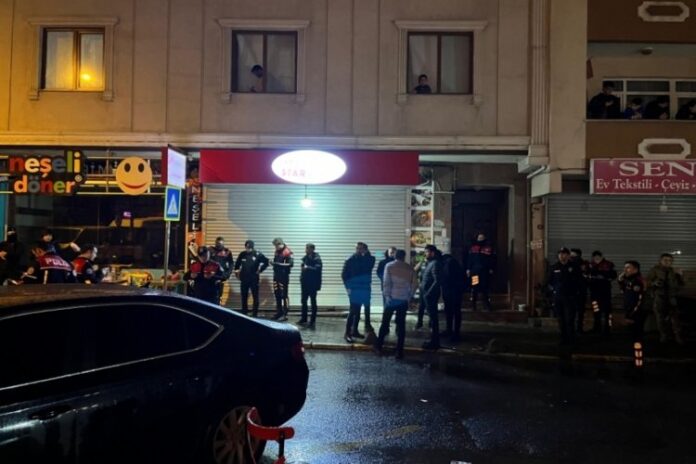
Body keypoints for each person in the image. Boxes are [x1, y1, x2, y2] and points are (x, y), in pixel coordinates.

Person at [374, 249, 417, 359]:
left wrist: (387, 296)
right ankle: (399, 351)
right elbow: (414, 284)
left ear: (395, 256)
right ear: (404, 257)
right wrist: (409, 297)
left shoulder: (389, 266)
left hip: (391, 300)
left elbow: (386, 283)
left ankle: (378, 347)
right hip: (403, 300)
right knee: (401, 325)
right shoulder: (409, 268)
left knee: (385, 323)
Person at [646, 253, 685, 344]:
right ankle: (664, 336)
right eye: (665, 260)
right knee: (660, 318)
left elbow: (681, 284)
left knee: (675, 318)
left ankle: (678, 336)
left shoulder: (673, 271)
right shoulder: (654, 270)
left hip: (671, 297)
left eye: (670, 260)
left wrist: (680, 275)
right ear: (660, 261)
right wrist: (654, 283)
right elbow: (647, 282)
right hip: (660, 297)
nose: (668, 262)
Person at [341, 242, 376, 343]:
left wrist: (366, 254)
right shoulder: (350, 260)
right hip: (355, 289)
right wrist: (348, 288)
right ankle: (347, 333)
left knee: (358, 310)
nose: (358, 250)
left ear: (365, 250)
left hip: (365, 288)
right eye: (357, 248)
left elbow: (371, 263)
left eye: (361, 249)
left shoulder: (368, 259)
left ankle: (354, 331)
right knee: (353, 310)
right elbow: (344, 275)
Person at [547, 247, 582, 346]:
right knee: (561, 319)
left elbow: (579, 281)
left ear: (568, 255)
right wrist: (551, 293)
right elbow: (549, 281)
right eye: (560, 254)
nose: (561, 256)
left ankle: (571, 339)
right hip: (558, 297)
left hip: (570, 297)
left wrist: (577, 294)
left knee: (570, 319)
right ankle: (563, 339)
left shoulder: (574, 267)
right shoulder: (554, 267)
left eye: (564, 254)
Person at [234, 240, 269, 317]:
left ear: (252, 248)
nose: (248, 249)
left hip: (254, 279)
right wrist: (237, 273)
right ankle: (244, 313)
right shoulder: (242, 254)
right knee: (244, 296)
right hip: (244, 279)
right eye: (246, 247)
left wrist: (260, 270)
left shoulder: (257, 254)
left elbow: (266, 262)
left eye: (249, 248)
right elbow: (237, 265)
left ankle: (254, 314)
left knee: (255, 296)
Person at [588, 250, 617, 336]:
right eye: (595, 257)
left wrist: (602, 275)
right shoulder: (590, 265)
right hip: (594, 293)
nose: (596, 258)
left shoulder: (608, 264)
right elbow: (586, 275)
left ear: (601, 256)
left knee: (607, 312)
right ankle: (597, 328)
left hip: (605, 293)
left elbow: (613, 275)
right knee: (596, 311)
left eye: (598, 257)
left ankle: (607, 329)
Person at [618, 260, 647, 344]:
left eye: (628, 268)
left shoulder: (638, 281)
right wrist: (620, 279)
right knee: (631, 332)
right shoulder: (628, 279)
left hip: (636, 311)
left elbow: (639, 299)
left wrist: (631, 314)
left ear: (635, 269)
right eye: (625, 267)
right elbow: (623, 289)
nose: (625, 270)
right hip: (629, 309)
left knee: (637, 332)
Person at [466, 232, 496, 311]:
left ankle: (487, 305)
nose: (480, 240)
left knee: (485, 288)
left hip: (484, 272)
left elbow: (492, 259)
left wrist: (491, 268)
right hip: (475, 272)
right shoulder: (473, 248)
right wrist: (468, 269)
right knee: (474, 287)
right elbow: (469, 259)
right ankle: (473, 305)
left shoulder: (488, 248)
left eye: (482, 238)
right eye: (479, 238)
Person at [420, 245, 442, 350]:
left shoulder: (435, 263)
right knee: (432, 318)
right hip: (427, 294)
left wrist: (428, 293)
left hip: (430, 295)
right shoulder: (429, 263)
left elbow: (437, 281)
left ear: (432, 253)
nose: (425, 254)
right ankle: (433, 340)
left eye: (427, 252)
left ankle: (434, 342)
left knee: (433, 318)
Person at [440, 252, 465, 343]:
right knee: (453, 311)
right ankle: (452, 331)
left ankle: (454, 333)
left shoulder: (448, 263)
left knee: (453, 311)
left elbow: (447, 277)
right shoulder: (452, 262)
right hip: (454, 291)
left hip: (452, 291)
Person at [298, 243, 322, 329]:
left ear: (312, 249)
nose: (306, 250)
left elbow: (317, 269)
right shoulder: (305, 258)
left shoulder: (317, 258)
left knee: (313, 302)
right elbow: (303, 267)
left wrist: (307, 267)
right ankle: (304, 318)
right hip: (305, 283)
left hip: (312, 284)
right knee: (303, 301)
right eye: (306, 248)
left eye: (307, 248)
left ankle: (312, 321)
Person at [271, 238, 294, 321]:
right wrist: (273, 263)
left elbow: (291, 264)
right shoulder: (277, 251)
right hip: (276, 276)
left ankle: (285, 314)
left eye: (276, 246)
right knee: (277, 295)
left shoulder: (288, 252)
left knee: (284, 295)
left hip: (284, 277)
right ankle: (279, 312)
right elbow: (276, 262)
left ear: (280, 244)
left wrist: (277, 264)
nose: (275, 247)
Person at [209, 236, 235, 304]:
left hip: (221, 276)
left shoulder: (227, 251)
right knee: (210, 296)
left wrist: (227, 274)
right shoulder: (210, 250)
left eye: (220, 244)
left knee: (219, 296)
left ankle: (217, 307)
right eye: (217, 243)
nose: (219, 245)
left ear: (223, 244)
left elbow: (231, 263)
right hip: (211, 277)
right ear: (215, 243)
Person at [569, 248, 589, 333]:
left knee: (574, 310)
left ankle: (574, 328)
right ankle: (578, 328)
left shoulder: (573, 263)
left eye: (572, 254)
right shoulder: (584, 263)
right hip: (579, 291)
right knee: (579, 311)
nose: (570, 256)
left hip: (576, 291)